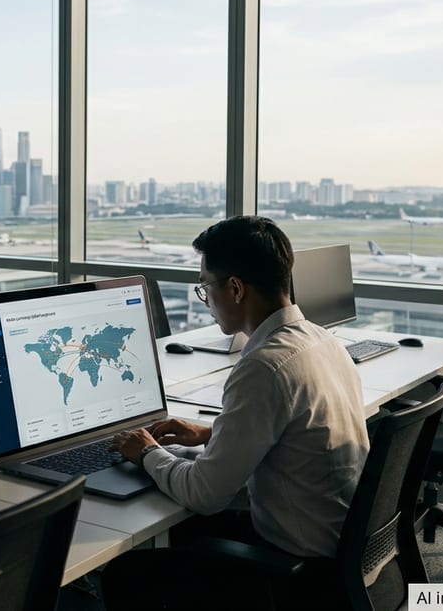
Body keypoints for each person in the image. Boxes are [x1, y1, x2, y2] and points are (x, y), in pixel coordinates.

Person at [102, 216, 369, 609]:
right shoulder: (322, 340)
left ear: (236, 288)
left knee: (125, 571)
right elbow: (299, 428)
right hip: (343, 542)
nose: (205, 300)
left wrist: (145, 451)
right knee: (188, 532)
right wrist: (211, 433)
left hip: (300, 564)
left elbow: (203, 494)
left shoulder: (263, 366)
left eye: (205, 288)